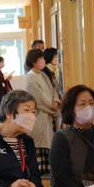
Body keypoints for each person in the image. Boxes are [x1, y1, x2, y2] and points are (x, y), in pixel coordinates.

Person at [24, 48, 60, 176]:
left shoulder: (43, 74)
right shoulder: (30, 77)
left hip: (49, 114)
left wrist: (56, 101)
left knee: (49, 142)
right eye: (41, 59)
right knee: (41, 144)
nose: (43, 61)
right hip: (40, 115)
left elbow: (53, 90)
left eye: (43, 58)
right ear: (33, 62)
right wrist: (52, 107)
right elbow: (38, 99)